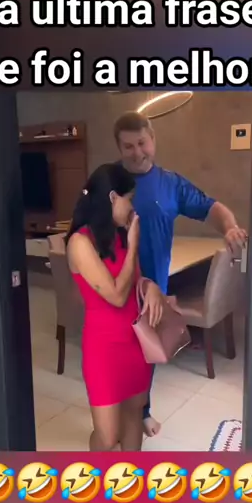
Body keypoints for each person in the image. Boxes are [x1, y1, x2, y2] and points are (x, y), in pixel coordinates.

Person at [114, 111, 247, 438]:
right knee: (116, 358)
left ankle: (141, 411)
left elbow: (212, 207)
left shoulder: (171, 184)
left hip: (153, 292)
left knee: (146, 356)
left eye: (142, 143)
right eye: (128, 146)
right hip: (114, 287)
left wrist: (229, 227)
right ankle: (114, 416)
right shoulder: (106, 182)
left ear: (153, 140)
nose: (137, 152)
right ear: (119, 148)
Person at [66, 162, 166, 451]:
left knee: (133, 415)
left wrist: (150, 286)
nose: (132, 207)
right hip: (103, 347)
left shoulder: (119, 234)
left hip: (134, 341)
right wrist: (134, 245)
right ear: (112, 197)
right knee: (108, 436)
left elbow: (134, 280)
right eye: (129, 199)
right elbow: (116, 295)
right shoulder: (80, 243)